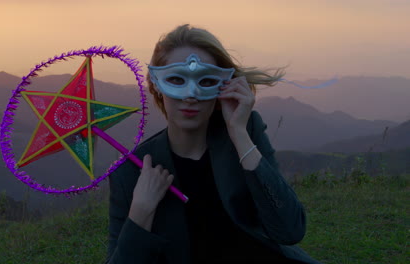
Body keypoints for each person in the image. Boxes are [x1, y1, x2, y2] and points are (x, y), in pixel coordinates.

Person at [106, 24, 322, 264]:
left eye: (206, 81)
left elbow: (290, 230)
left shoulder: (244, 132)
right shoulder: (131, 173)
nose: (191, 94)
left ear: (225, 84)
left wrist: (239, 134)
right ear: (155, 83)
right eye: (176, 79)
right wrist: (140, 212)